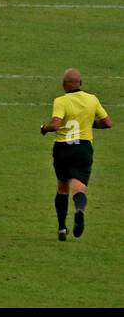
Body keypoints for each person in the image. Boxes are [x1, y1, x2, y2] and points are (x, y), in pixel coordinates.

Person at [41, 68, 112, 240]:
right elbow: (107, 123)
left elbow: (56, 124)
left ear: (64, 85)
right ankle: (79, 210)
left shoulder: (61, 101)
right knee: (79, 188)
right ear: (81, 83)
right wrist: (88, 124)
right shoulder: (92, 99)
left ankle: (61, 228)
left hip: (63, 148)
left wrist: (44, 128)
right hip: (83, 148)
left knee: (62, 187)